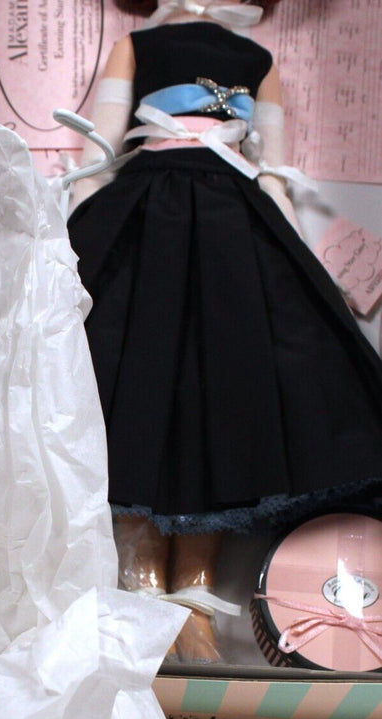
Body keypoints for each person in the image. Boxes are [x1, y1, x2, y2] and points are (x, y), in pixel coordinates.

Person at [67, 0, 382, 661]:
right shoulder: (137, 45)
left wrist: (294, 253)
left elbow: (272, 167)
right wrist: (71, 230)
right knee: (135, 375)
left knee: (225, 389)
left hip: (231, 214)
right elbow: (101, 146)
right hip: (148, 206)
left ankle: (196, 587)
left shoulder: (257, 60)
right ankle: (140, 576)